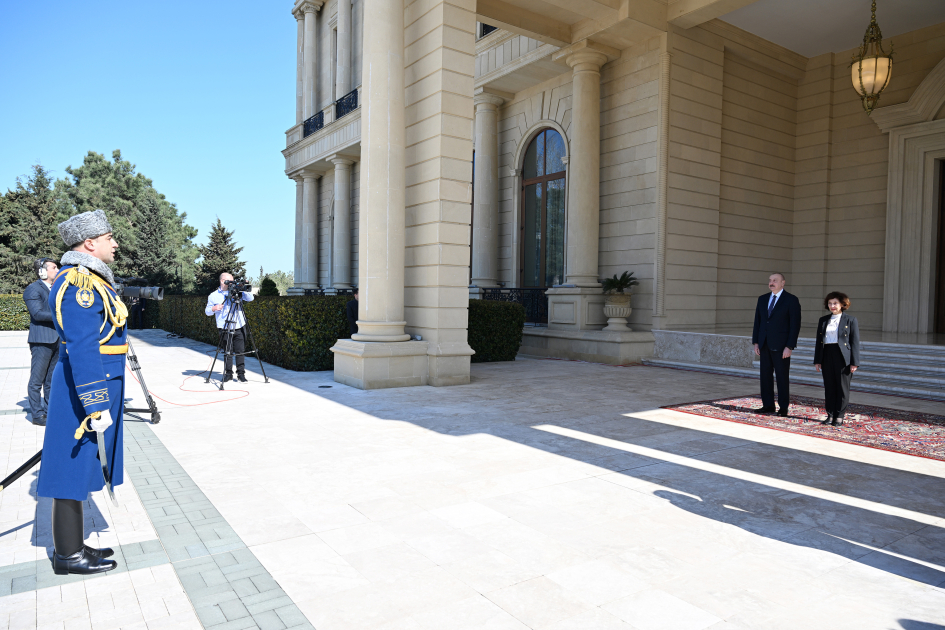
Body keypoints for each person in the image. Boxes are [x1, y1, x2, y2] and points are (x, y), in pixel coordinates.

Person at [37, 209, 128, 575]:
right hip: (84, 389)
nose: (115, 243)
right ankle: (67, 556)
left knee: (79, 466)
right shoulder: (79, 283)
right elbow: (83, 346)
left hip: (94, 384)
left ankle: (73, 547)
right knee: (70, 468)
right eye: (110, 238)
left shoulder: (91, 279)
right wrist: (96, 401)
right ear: (89, 244)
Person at [751, 272, 802, 417]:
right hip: (764, 344)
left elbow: (795, 325)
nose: (771, 282)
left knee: (781, 377)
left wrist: (790, 346)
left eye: (775, 280)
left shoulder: (791, 300)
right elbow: (758, 322)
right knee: (765, 376)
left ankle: (783, 407)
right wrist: (756, 342)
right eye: (770, 280)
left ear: (783, 283)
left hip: (781, 347)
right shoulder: (762, 299)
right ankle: (767, 405)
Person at [813, 292, 860, 426]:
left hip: (843, 357)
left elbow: (855, 343)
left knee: (842, 388)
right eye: (830, 303)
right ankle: (830, 414)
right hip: (827, 354)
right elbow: (819, 342)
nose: (832, 306)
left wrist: (854, 362)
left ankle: (839, 415)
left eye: (835, 303)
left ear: (842, 304)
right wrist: (818, 360)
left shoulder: (851, 320)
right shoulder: (823, 320)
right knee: (829, 386)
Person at [23, 257, 60, 426]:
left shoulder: (56, 288)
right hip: (42, 340)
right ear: (43, 271)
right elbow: (37, 314)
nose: (57, 270)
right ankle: (37, 415)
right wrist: (61, 316)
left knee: (51, 380)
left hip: (57, 339)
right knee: (37, 380)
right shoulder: (32, 289)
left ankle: (50, 410)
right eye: (54, 267)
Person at [205, 272, 254, 382]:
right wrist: (214, 308)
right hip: (224, 326)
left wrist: (243, 288)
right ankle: (228, 374)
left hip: (239, 325)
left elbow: (250, 299)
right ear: (222, 281)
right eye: (230, 281)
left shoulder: (237, 292)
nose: (232, 284)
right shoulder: (213, 296)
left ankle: (241, 374)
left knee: (240, 351)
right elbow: (207, 312)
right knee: (228, 352)